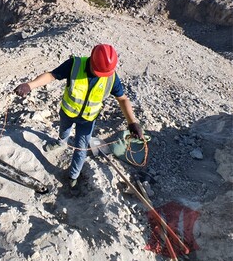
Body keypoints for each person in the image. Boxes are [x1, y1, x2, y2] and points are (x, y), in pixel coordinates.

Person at [14, 44, 143, 195]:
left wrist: (132, 122)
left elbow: (122, 99)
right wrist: (30, 85)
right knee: (64, 132)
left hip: (87, 120)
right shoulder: (74, 65)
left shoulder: (111, 78)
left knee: (81, 149)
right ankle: (60, 142)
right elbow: (51, 75)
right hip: (67, 113)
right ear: (91, 61)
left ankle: (73, 176)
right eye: (99, 72)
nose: (102, 76)